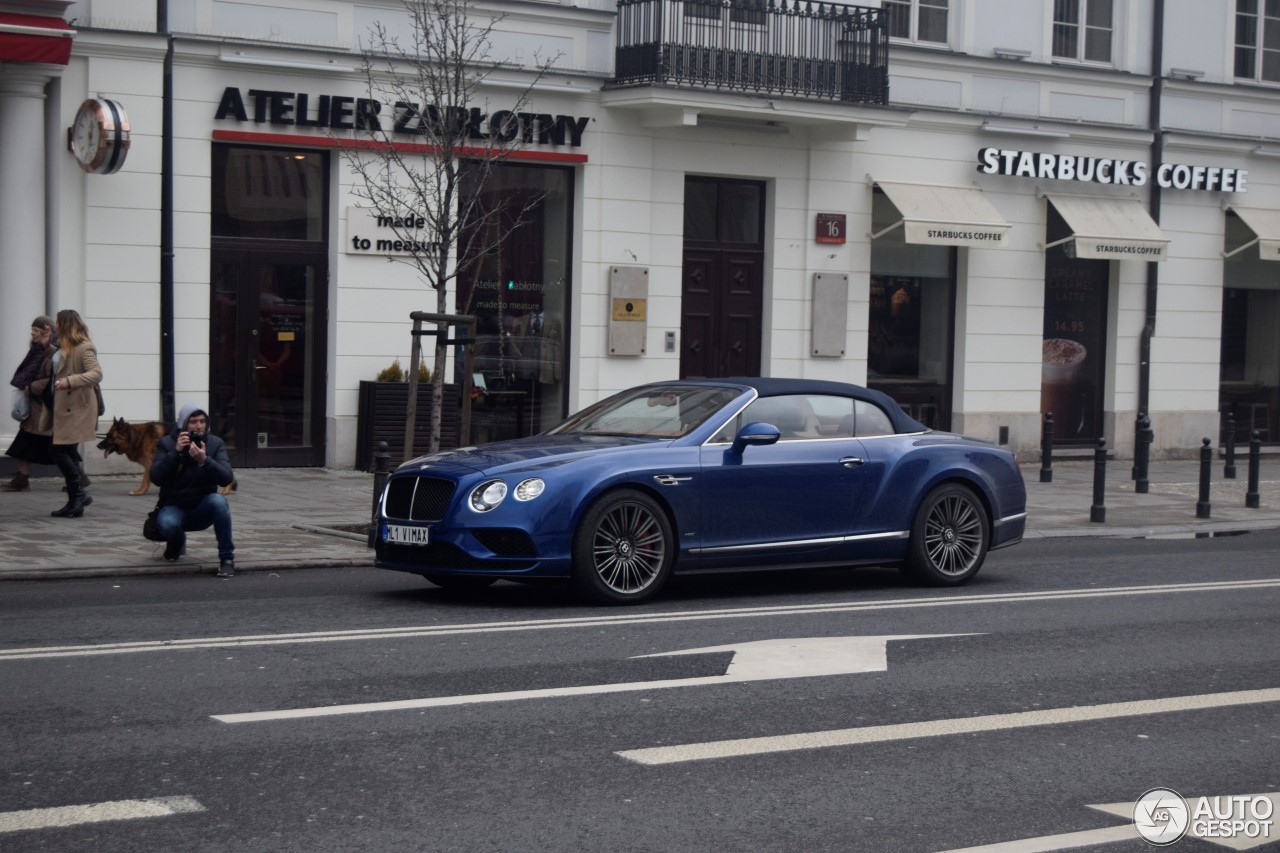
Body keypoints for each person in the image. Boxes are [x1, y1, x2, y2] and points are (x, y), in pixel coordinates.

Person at [150, 402, 237, 577]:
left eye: (202, 421)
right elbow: (156, 478)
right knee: (167, 523)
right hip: (174, 505)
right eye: (193, 421)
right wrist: (175, 453)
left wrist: (205, 461)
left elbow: (227, 478)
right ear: (183, 424)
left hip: (202, 507)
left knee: (219, 501)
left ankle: (226, 558)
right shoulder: (167, 443)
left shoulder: (214, 444)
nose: (199, 426)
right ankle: (176, 541)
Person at [42, 310, 102, 517]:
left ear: (65, 325)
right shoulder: (64, 346)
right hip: (64, 407)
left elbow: (96, 373)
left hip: (76, 408)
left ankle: (79, 494)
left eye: (58, 323)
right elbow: (58, 365)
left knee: (58, 450)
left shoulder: (84, 347)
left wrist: (70, 381)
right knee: (67, 452)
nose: (56, 326)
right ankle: (76, 500)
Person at [3, 316, 57, 492]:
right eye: (32, 330)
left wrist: (31, 387)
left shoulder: (54, 351)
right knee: (27, 441)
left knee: (56, 447)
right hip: (36, 406)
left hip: (45, 405)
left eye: (35, 330)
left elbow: (51, 379)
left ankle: (78, 478)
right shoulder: (37, 349)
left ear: (46, 330)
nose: (32, 334)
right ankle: (21, 478)